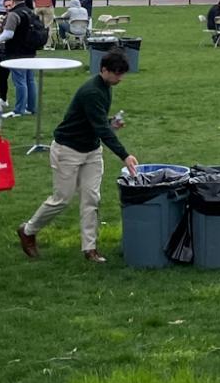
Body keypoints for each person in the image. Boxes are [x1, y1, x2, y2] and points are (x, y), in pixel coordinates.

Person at [16, 49, 138, 263]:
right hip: (68, 150)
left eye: (122, 74)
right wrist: (124, 155)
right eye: (117, 74)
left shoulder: (106, 87)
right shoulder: (91, 91)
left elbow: (97, 121)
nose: (120, 78)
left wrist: (110, 123)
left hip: (91, 151)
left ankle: (90, 249)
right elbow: (99, 127)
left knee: (92, 198)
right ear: (103, 70)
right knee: (61, 199)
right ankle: (28, 230)